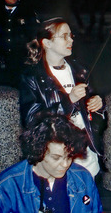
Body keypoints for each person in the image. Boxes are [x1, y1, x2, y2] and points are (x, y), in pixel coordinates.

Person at [19, 18, 105, 177]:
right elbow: (32, 120)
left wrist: (99, 103)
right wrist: (68, 100)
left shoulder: (80, 70)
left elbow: (94, 105)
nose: (71, 40)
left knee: (86, 197)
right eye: (64, 36)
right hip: (54, 156)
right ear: (47, 43)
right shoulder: (32, 77)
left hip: (84, 153)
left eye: (71, 35)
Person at [0, 115, 102, 213]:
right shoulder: (6, 187)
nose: (65, 164)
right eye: (56, 158)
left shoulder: (83, 179)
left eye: (69, 156)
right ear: (38, 151)